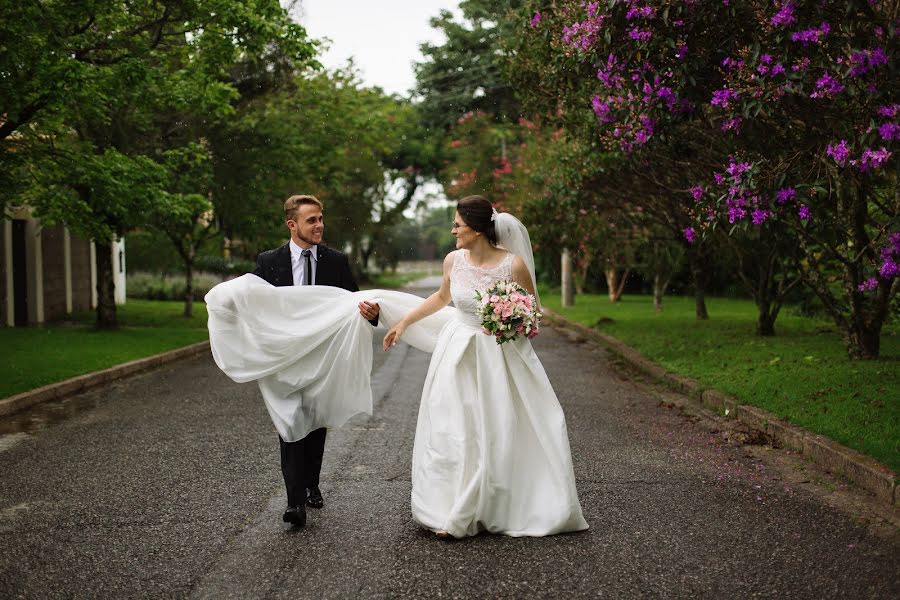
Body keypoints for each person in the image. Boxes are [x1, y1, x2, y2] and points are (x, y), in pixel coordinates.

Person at [382, 195, 588, 538]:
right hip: (457, 353)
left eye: (458, 225)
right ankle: (450, 506)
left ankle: (494, 503)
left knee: (494, 426)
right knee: (454, 427)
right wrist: (404, 323)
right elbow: (441, 298)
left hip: (498, 356)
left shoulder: (513, 266)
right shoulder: (453, 261)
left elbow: (533, 312)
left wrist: (507, 319)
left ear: (477, 230)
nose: (453, 231)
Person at [252, 194, 380, 528]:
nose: (320, 225)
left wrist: (371, 314)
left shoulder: (336, 261)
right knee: (291, 422)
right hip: (287, 360)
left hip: (324, 359)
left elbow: (355, 301)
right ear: (292, 224)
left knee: (316, 420)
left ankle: (311, 481)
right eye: (312, 220)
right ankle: (295, 501)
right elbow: (256, 307)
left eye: (321, 218)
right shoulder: (269, 262)